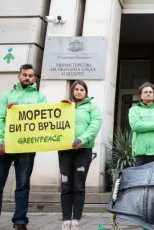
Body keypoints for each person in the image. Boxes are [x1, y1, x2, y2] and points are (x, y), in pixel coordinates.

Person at [0, 64, 47, 230]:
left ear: (34, 78)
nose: (27, 78)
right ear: (19, 76)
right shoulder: (6, 96)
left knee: (22, 186)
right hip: (4, 147)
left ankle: (20, 221)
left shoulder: (40, 98)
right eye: (24, 75)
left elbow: (44, 121)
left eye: (30, 75)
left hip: (26, 148)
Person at [58, 80, 102, 230]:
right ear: (72, 91)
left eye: (81, 89)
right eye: (76, 89)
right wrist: (61, 107)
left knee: (78, 185)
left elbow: (94, 126)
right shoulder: (64, 106)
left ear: (86, 92)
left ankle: (75, 219)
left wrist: (82, 139)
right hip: (65, 150)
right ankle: (65, 220)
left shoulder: (93, 108)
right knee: (65, 185)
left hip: (83, 150)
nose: (78, 92)